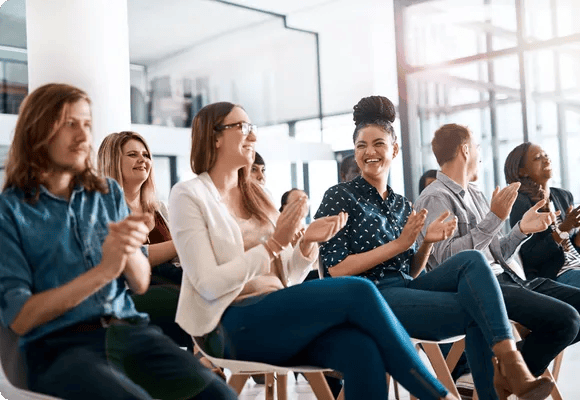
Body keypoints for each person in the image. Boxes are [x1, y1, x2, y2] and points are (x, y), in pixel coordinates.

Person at [168, 101, 461, 400]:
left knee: (362, 349)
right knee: (359, 291)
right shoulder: (189, 195)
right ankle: (437, 395)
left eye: (252, 128)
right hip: (226, 323)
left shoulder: (258, 197)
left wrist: (307, 242)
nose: (253, 137)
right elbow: (207, 285)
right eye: (242, 128)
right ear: (214, 136)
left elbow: (288, 278)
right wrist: (273, 245)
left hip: (277, 311)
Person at [0, 83, 237, 400]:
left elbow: (139, 283)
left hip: (127, 332)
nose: (84, 136)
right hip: (53, 346)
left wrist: (129, 251)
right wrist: (105, 270)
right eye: (70, 124)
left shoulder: (106, 194)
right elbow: (20, 318)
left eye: (87, 124)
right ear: (38, 130)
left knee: (219, 396)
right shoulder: (11, 211)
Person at [315, 95, 553, 400]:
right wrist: (400, 244)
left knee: (469, 260)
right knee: (476, 310)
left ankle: (513, 365)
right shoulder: (340, 195)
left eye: (378, 144)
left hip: (406, 288)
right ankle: (504, 382)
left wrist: (426, 242)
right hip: (369, 298)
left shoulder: (402, 204)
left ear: (395, 149)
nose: (369, 152)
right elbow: (337, 269)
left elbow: (411, 269)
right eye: (361, 145)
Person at [415, 123, 580, 383]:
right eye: (477, 147)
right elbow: (450, 261)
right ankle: (504, 375)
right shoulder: (434, 198)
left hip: (511, 279)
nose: (480, 154)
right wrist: (494, 219)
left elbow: (495, 252)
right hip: (482, 288)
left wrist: (521, 230)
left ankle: (499, 373)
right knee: (567, 320)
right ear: (465, 150)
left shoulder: (476, 193)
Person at [97, 131, 191, 350]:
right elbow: (133, 258)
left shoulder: (160, 210)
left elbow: (180, 257)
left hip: (170, 283)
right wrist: (183, 240)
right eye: (132, 154)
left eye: (146, 154)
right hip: (130, 292)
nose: (143, 160)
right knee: (194, 301)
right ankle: (205, 359)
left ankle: (206, 359)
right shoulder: (103, 208)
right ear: (113, 161)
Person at [504, 142, 580, 293]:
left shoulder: (562, 196)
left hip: (578, 267)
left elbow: (565, 254)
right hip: (553, 277)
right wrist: (564, 228)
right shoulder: (521, 203)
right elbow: (531, 257)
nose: (546, 160)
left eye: (546, 156)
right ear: (522, 172)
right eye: (537, 158)